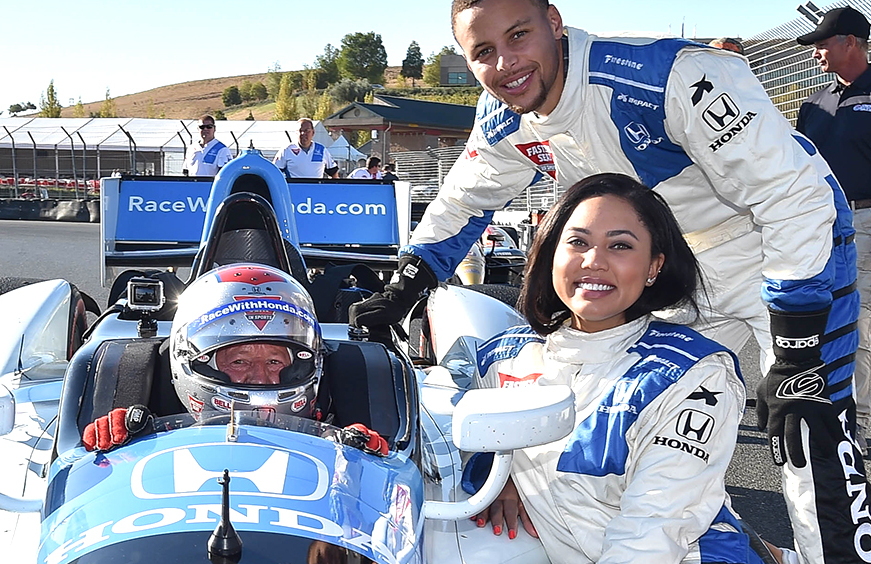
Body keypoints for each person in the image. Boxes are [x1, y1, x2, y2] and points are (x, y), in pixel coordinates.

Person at [348, 1, 864, 562]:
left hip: (784, 248)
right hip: (664, 270)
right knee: (651, 433)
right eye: (483, 52)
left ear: (554, 22)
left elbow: (793, 194)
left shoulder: (668, 75)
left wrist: (794, 343)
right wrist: (405, 284)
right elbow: (463, 202)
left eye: (518, 35)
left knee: (807, 433)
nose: (506, 63)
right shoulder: (502, 116)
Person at [468, 173, 774, 563]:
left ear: (654, 266)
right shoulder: (501, 356)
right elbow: (441, 439)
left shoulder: (693, 373)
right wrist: (500, 470)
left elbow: (652, 532)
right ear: (551, 254)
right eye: (578, 242)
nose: (594, 261)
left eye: (620, 246)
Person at [81, 264, 387, 456]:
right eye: (239, 362)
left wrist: (363, 459)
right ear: (194, 360)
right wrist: (120, 450)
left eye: (275, 362)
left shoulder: (342, 417)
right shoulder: (136, 409)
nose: (262, 378)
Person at [795, 6, 871, 454]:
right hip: (819, 225)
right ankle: (836, 410)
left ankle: (861, 420)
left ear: (850, 43)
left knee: (863, 324)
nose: (817, 52)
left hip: (867, 221)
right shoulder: (814, 104)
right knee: (826, 320)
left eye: (824, 43)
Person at [272, 118, 339, 178]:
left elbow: (333, 173)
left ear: (313, 132)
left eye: (307, 131)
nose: (303, 133)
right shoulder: (287, 150)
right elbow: (274, 173)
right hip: (294, 190)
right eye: (300, 130)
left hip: (316, 190)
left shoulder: (321, 150)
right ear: (296, 133)